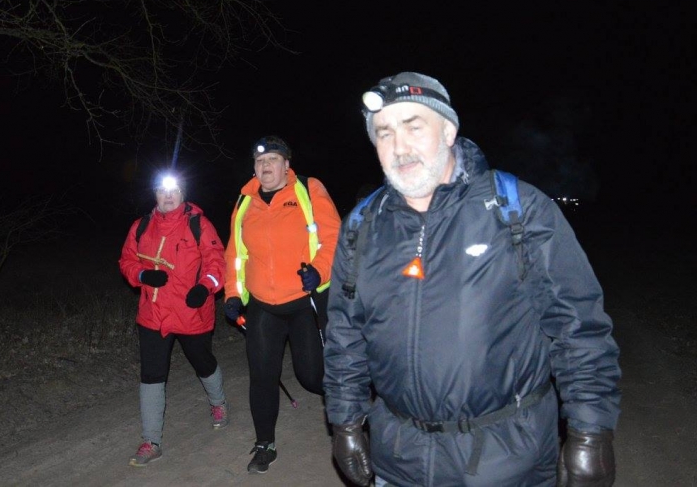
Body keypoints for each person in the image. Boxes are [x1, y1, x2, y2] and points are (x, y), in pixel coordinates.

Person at [323, 72, 621, 486]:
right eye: (384, 133)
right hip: (399, 458)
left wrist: (590, 432)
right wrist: (346, 421)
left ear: (448, 130)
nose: (399, 147)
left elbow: (578, 326)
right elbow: (345, 334)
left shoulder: (517, 209)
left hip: (506, 460)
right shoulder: (362, 225)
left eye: (413, 126)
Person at [223, 136, 342, 474]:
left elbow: (334, 237)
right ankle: (265, 444)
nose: (266, 166)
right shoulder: (245, 201)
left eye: (273, 159)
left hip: (305, 301)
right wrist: (232, 294)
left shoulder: (309, 189)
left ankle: (349, 420)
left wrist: (319, 270)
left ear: (287, 165)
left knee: (312, 376)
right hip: (263, 305)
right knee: (262, 376)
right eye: (260, 161)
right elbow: (235, 254)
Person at [119, 173, 228, 467]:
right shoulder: (141, 226)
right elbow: (127, 261)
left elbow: (217, 262)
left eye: (174, 191)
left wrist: (205, 287)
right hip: (153, 313)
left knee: (202, 362)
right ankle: (151, 441)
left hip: (191, 311)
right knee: (152, 374)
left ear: (183, 194)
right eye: (162, 191)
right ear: (155, 194)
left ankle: (218, 403)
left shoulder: (198, 224)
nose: (168, 196)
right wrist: (143, 274)